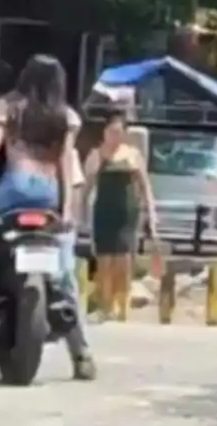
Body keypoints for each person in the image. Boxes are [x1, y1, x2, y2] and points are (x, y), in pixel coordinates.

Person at [0, 54, 96, 379]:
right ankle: (80, 352)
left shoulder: (7, 107)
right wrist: (65, 212)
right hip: (50, 196)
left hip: (14, 191)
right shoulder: (65, 116)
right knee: (63, 272)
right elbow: (66, 164)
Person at [83, 108, 158, 320]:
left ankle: (121, 304)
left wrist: (151, 213)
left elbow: (145, 187)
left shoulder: (133, 155)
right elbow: (87, 187)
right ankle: (105, 305)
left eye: (118, 132)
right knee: (105, 260)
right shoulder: (96, 155)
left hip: (127, 213)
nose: (114, 136)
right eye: (111, 131)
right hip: (104, 212)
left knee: (124, 260)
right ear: (104, 132)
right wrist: (79, 212)